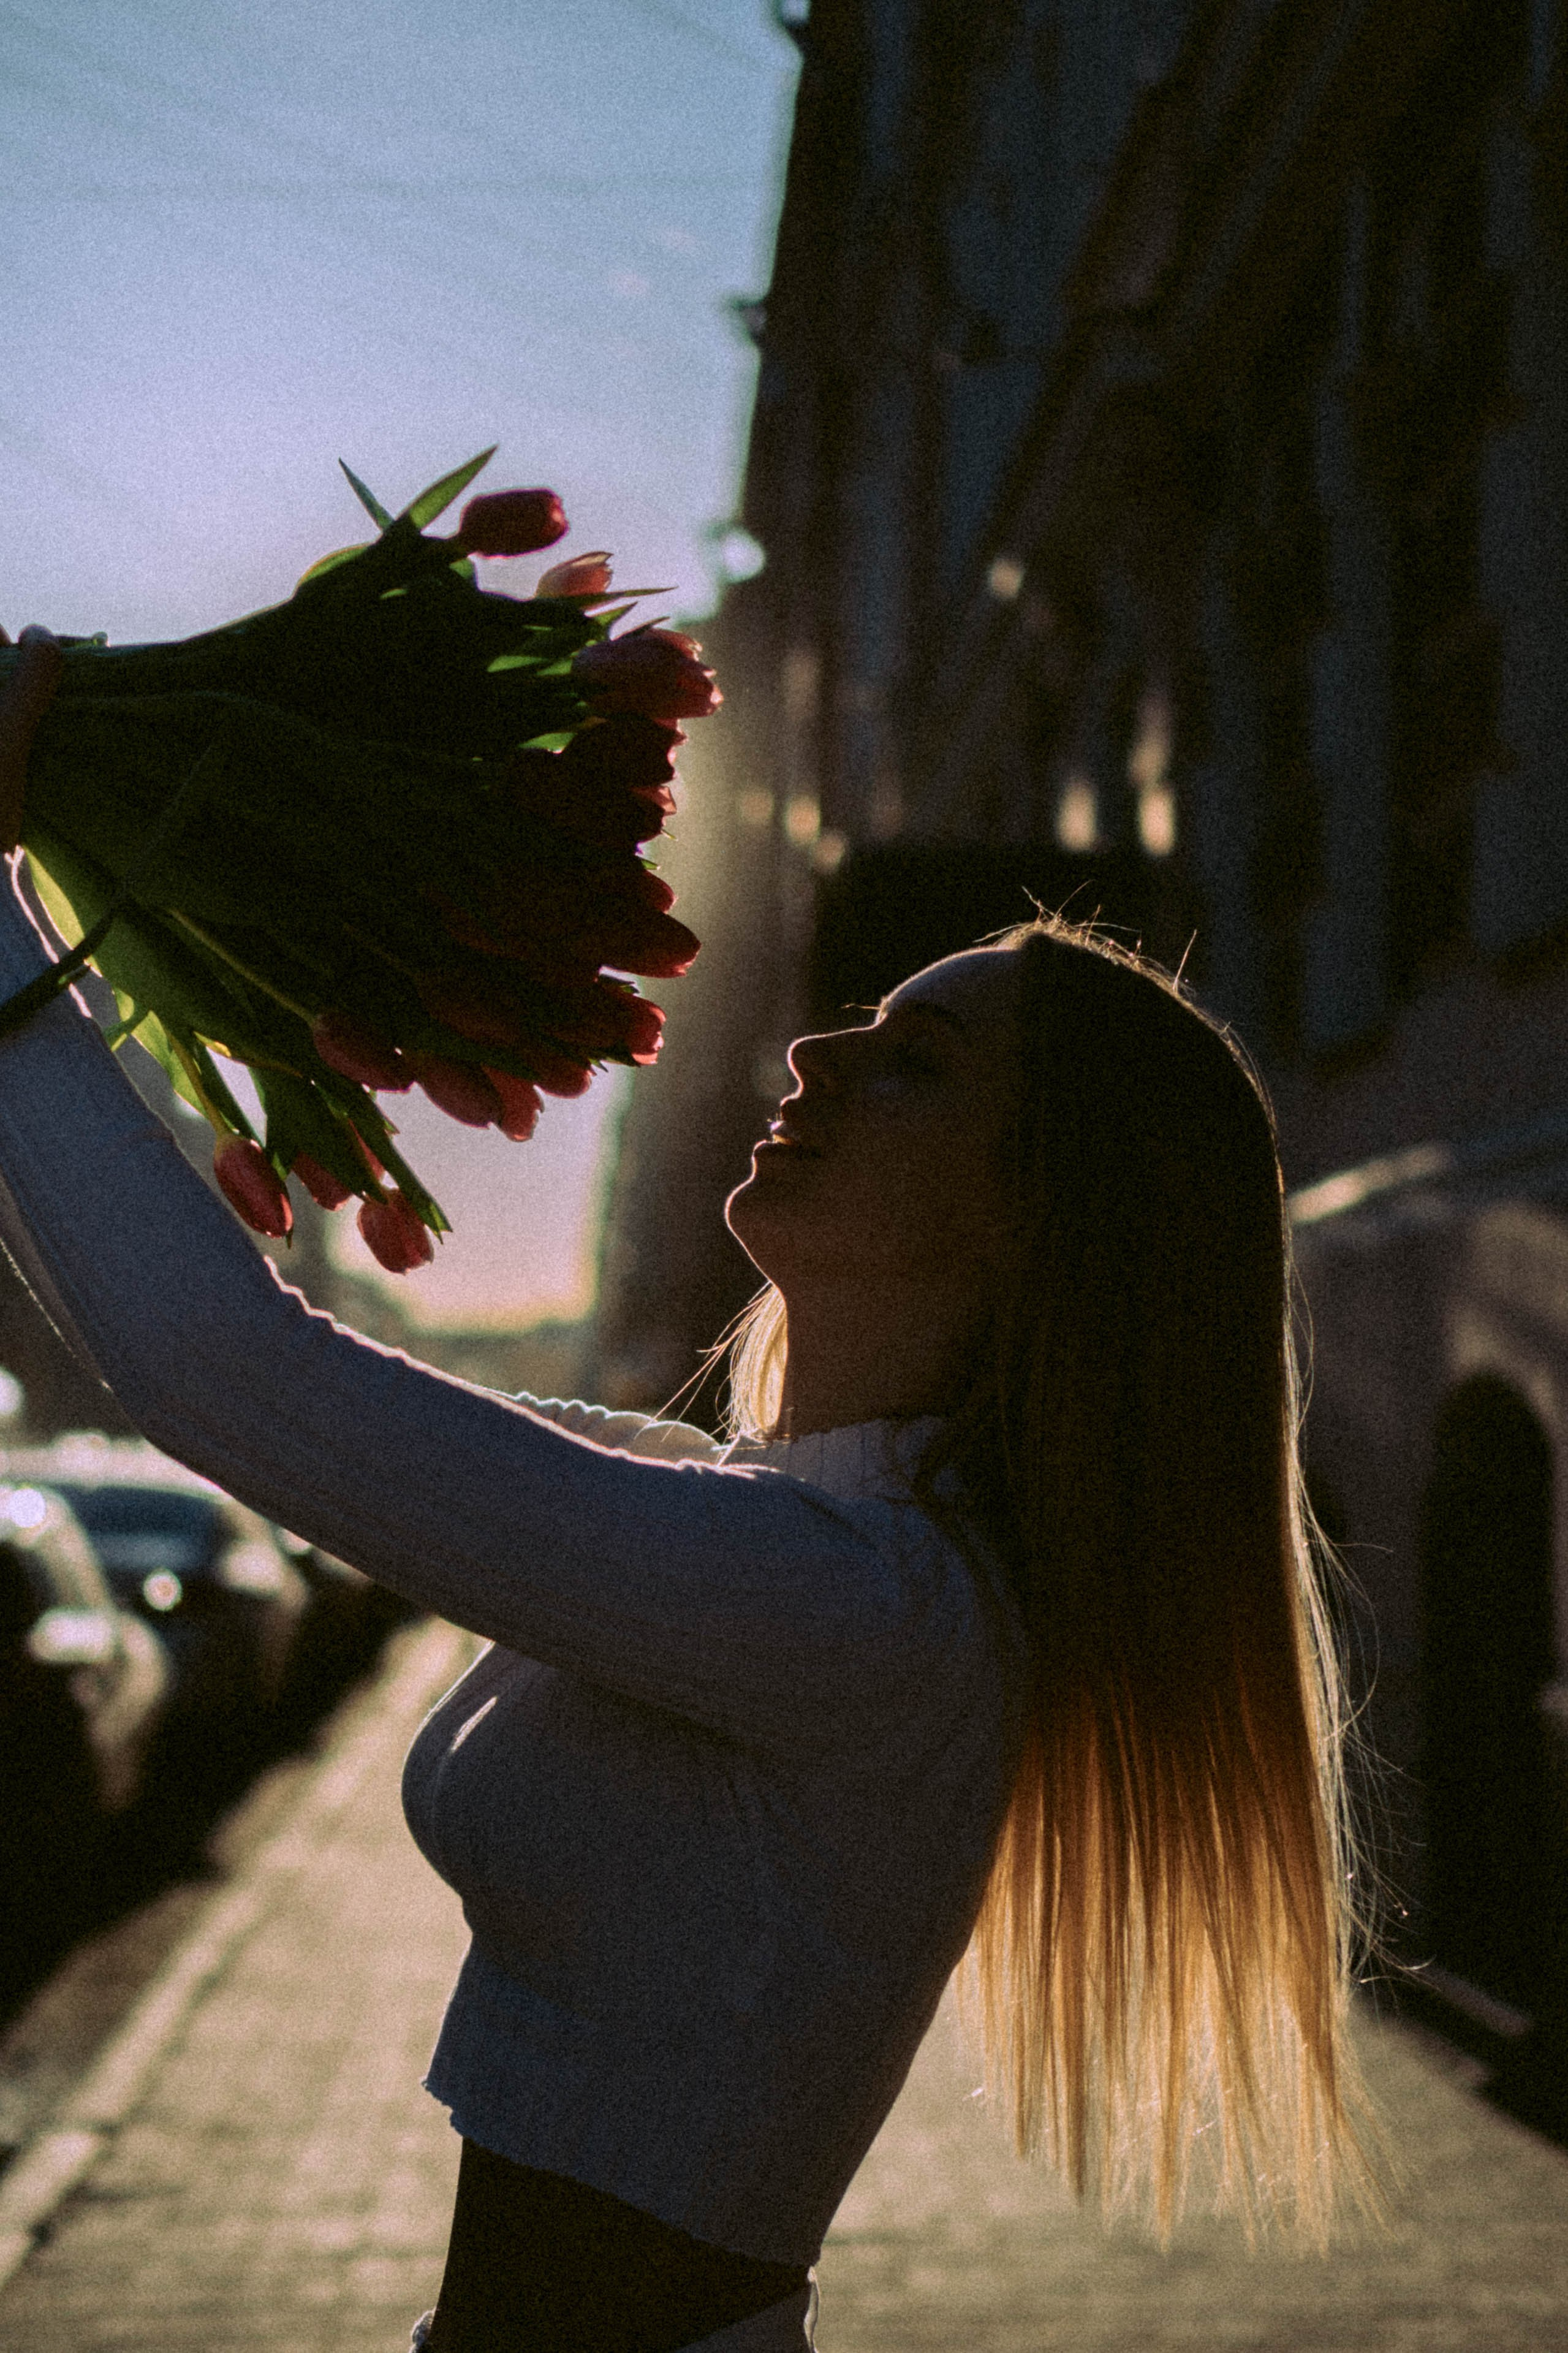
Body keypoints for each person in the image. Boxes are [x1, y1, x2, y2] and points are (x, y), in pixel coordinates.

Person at [0, 635, 1373, 2349]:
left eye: (917, 1064)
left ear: (1043, 1222)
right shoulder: (755, 1520)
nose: (813, 1057)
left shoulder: (874, 1609)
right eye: (862, 1024)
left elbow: (238, 1382)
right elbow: (276, 1393)